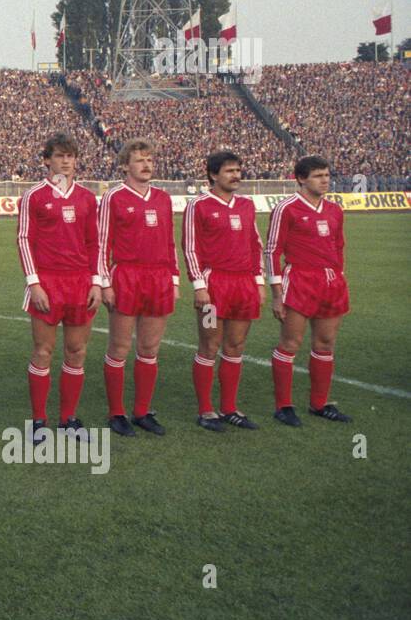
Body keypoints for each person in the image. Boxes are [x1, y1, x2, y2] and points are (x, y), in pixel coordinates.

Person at [16, 133, 103, 444]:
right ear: (47, 160)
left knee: (76, 352)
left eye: (71, 155)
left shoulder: (87, 198)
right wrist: (34, 283)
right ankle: (39, 420)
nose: (66, 161)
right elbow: (24, 239)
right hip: (48, 282)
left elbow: (95, 242)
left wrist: (96, 281)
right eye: (60, 155)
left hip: (80, 282)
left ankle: (69, 419)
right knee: (43, 351)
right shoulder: (34, 196)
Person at [97, 139, 180, 437]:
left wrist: (173, 279)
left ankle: (143, 411)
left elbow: (170, 243)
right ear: (125, 166)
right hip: (126, 276)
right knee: (119, 347)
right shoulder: (113, 197)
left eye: (149, 160)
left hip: (158, 277)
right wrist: (104, 282)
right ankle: (116, 412)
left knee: (149, 348)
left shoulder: (163, 198)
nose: (146, 165)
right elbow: (101, 243)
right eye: (139, 160)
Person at [266, 156, 352, 425]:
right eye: (318, 175)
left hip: (331, 282)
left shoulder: (335, 210)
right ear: (301, 179)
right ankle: (284, 406)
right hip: (300, 280)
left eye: (326, 175)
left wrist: (339, 275)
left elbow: (339, 246)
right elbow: (272, 250)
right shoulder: (287, 208)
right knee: (290, 344)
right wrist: (277, 293)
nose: (324, 180)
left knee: (325, 343)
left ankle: (319, 403)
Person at [183, 150, 265, 431]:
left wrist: (259, 282)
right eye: (230, 171)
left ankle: (229, 408)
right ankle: (206, 410)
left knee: (236, 346)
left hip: (243, 285)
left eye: (238, 170)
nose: (236, 175)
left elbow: (256, 245)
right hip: (214, 286)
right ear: (213, 174)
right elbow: (190, 247)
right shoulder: (199, 205)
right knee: (209, 345)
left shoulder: (246, 205)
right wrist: (199, 285)